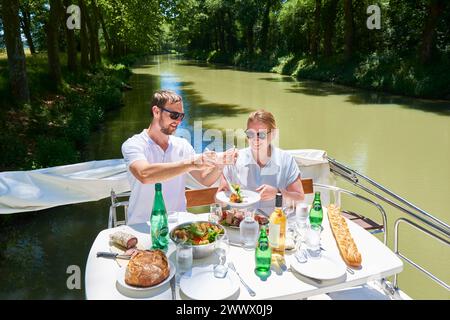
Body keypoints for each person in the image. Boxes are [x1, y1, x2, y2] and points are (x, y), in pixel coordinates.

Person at [122, 89, 235, 225]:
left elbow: (204, 179)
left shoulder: (182, 145)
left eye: (181, 116)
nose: (178, 121)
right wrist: (191, 163)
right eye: (174, 115)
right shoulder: (133, 144)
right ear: (156, 111)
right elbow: (145, 174)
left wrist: (220, 164)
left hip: (179, 227)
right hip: (142, 226)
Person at [219, 110, 304, 215]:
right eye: (250, 134)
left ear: (273, 134)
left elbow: (299, 199)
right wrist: (224, 197)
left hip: (275, 225)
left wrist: (278, 193)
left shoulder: (286, 160)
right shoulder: (235, 159)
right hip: (241, 225)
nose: (255, 139)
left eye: (261, 134)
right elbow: (219, 200)